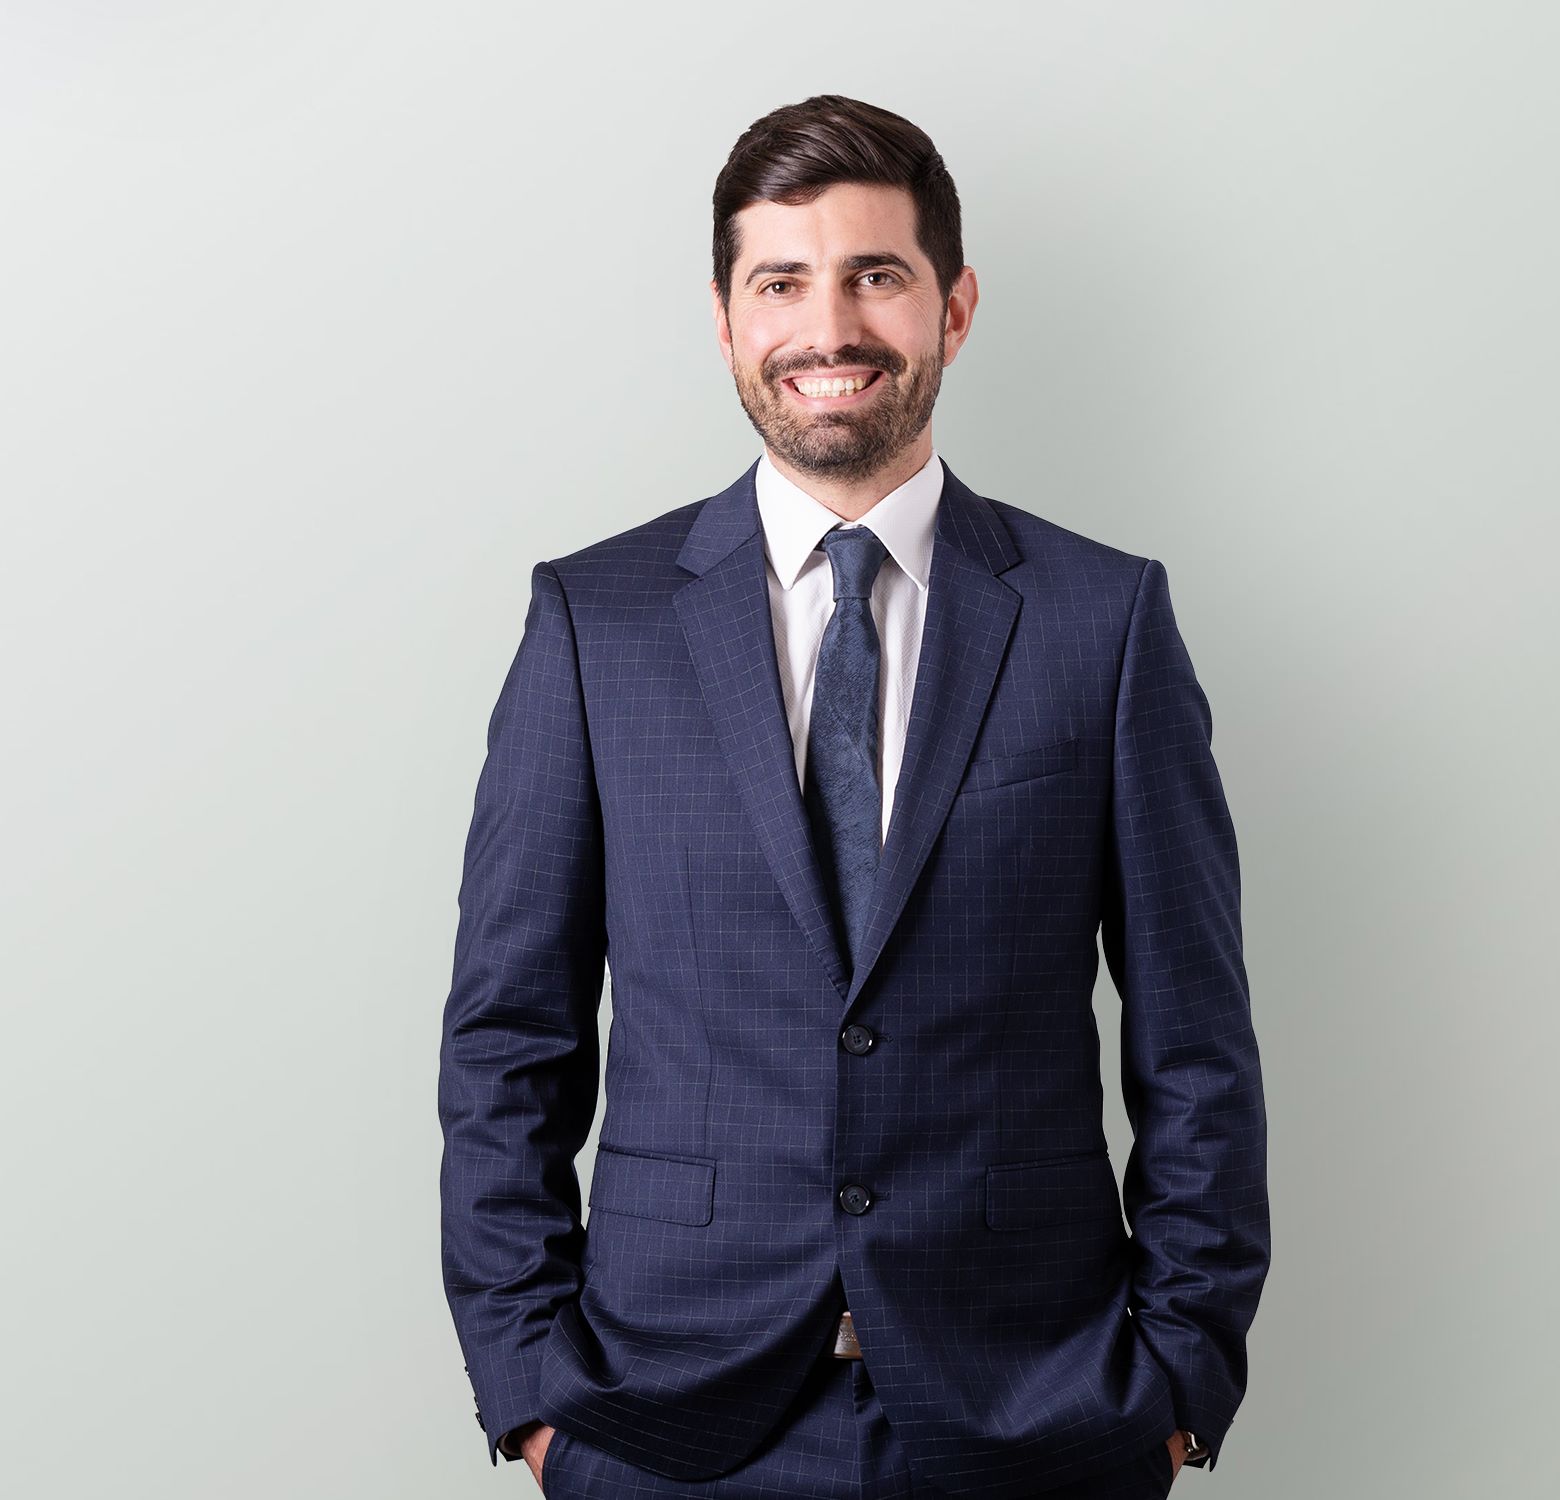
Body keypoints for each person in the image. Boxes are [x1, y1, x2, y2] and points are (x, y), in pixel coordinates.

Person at [438, 93, 1270, 1499]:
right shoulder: (595, 623)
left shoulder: (1103, 620)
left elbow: (1197, 1044)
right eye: (781, 283)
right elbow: (508, 1039)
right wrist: (530, 1390)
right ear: (725, 320)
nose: (828, 327)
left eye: (875, 275)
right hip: (661, 1423)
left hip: (1034, 1413)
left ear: (955, 307)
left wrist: (1179, 1377)